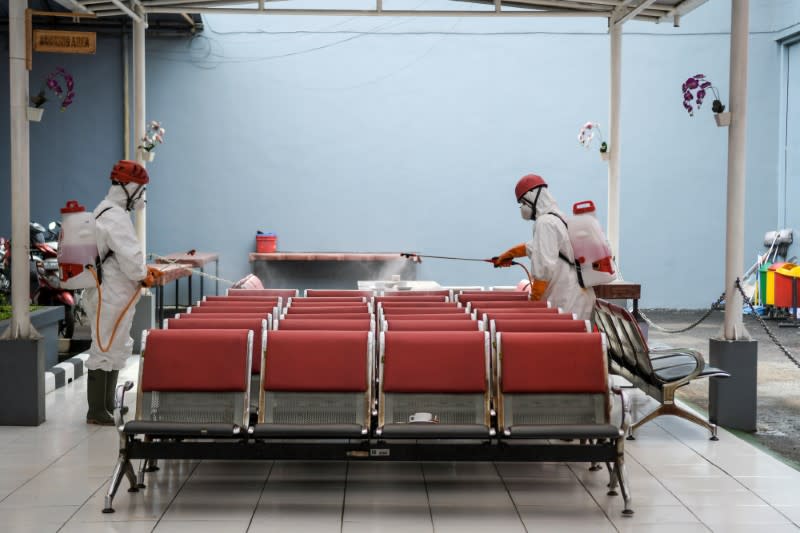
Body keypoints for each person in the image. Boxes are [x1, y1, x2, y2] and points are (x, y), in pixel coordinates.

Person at [84, 160, 162, 425]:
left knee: (115, 346)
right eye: (141, 190)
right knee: (104, 347)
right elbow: (130, 256)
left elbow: (124, 256)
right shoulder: (114, 216)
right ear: (128, 188)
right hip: (110, 294)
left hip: (113, 292)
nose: (142, 197)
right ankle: (96, 410)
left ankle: (107, 405)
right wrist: (143, 274)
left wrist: (142, 272)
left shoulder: (106, 211)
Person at [492, 173, 595, 321]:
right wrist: (509, 254)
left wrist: (533, 302)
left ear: (532, 198)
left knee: (563, 342)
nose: (522, 208)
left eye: (523, 203)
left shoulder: (545, 223)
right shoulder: (558, 217)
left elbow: (544, 269)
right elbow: (536, 247)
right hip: (579, 296)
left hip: (566, 300)